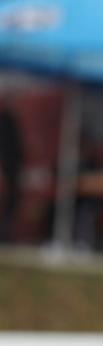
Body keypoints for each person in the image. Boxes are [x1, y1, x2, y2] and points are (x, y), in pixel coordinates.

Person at [0, 96, 23, 243]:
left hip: (10, 170)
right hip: (8, 170)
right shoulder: (6, 121)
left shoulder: (8, 121)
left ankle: (4, 235)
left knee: (9, 205)